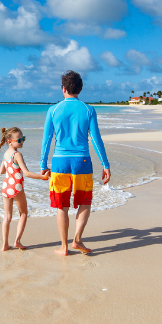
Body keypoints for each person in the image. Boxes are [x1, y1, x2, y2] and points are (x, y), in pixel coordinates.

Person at [40, 71, 111, 256]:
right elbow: (96, 139)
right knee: (84, 202)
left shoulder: (53, 110)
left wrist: (43, 164)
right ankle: (77, 240)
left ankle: (63, 247)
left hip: (59, 162)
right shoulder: (88, 110)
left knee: (61, 206)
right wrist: (105, 164)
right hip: (82, 162)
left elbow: (47, 140)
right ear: (80, 88)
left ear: (63, 88)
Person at [0, 126, 49, 251]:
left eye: (23, 138)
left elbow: (1, 171)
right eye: (19, 140)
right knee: (24, 213)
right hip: (16, 186)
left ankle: (5, 244)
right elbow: (26, 173)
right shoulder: (17, 155)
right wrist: (42, 177)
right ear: (10, 141)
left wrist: (11, 169)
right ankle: (17, 241)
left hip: (6, 186)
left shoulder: (6, 154)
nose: (22, 142)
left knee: (7, 216)